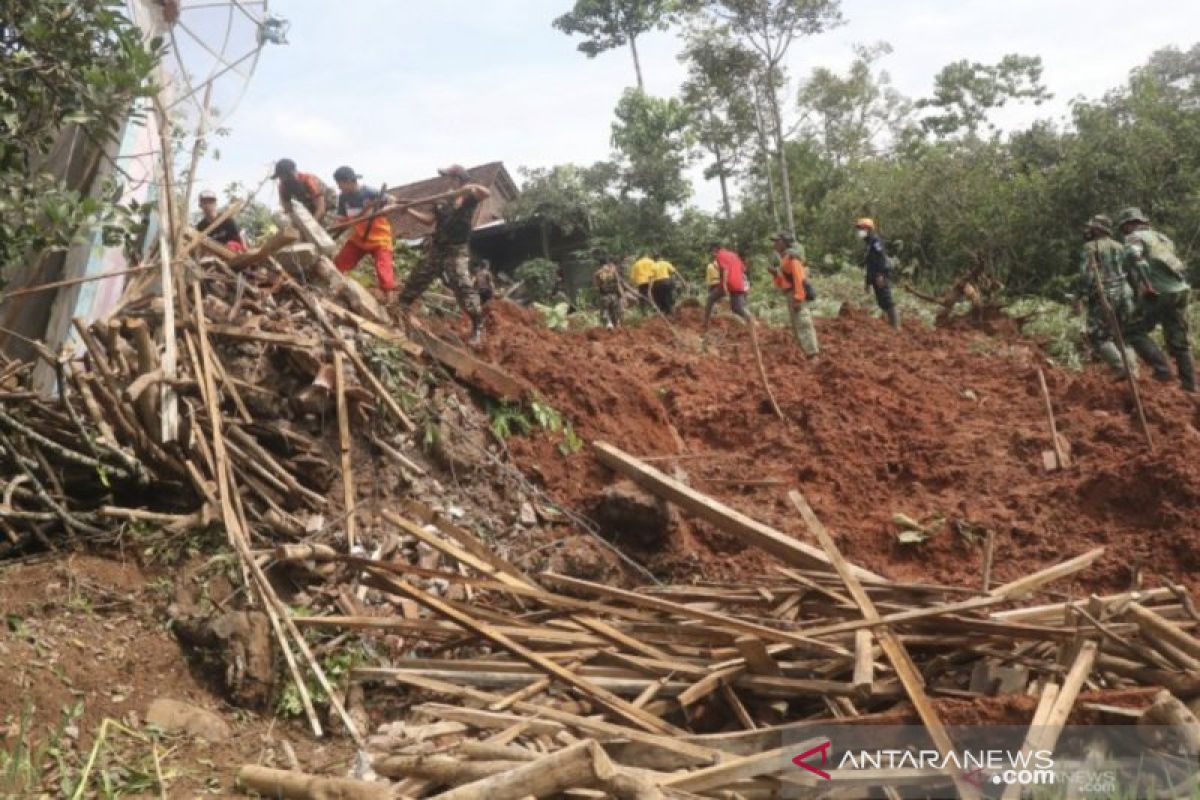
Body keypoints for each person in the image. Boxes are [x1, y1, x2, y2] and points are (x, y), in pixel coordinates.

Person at [398, 164, 491, 345]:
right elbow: (429, 221)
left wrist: (468, 188)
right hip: (437, 247)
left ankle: (478, 326)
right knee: (419, 276)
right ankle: (401, 307)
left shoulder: (469, 197)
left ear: (459, 179)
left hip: (456, 250)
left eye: (450, 177)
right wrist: (408, 210)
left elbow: (486, 192)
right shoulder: (441, 200)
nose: (447, 180)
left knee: (462, 285)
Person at [1116, 207, 1196, 392]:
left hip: (1158, 291)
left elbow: (1134, 257)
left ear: (1129, 225)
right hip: (1180, 291)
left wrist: (1147, 284)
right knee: (1179, 339)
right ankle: (1190, 386)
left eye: (1125, 227)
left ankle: (1162, 370)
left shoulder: (1134, 238)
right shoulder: (1163, 238)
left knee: (1132, 330)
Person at [1075, 214, 1137, 378]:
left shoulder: (1090, 247)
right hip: (1125, 292)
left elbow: (1086, 276)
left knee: (1097, 335)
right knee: (1125, 335)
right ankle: (1133, 370)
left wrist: (1079, 296)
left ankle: (1120, 367)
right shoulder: (1119, 246)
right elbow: (1131, 270)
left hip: (1105, 294)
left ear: (1097, 229)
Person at [331, 166, 395, 298]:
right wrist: (335, 222)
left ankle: (390, 300)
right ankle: (335, 289)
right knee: (340, 263)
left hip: (379, 237)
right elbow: (342, 217)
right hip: (360, 237)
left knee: (384, 271)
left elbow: (393, 200)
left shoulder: (369, 192)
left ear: (348, 181)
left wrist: (386, 208)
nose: (339, 187)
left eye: (340, 184)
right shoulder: (343, 197)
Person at [768, 232, 819, 356]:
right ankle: (805, 353)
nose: (774, 244)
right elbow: (784, 281)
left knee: (803, 323)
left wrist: (798, 298)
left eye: (777, 241)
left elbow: (799, 279)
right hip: (790, 293)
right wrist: (775, 274)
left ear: (784, 243)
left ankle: (812, 354)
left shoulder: (791, 258)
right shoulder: (784, 258)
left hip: (796, 294)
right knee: (797, 325)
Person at [855, 217, 899, 329]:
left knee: (886, 298)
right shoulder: (869, 243)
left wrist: (880, 275)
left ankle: (895, 326)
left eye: (861, 228)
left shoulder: (875, 241)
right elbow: (870, 265)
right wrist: (868, 282)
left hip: (880, 275)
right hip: (874, 275)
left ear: (868, 229)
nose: (859, 231)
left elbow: (881, 259)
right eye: (859, 229)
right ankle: (889, 324)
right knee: (881, 301)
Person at [703, 241, 752, 329]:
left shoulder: (720, 255)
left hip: (729, 283)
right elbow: (743, 269)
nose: (712, 255)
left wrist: (725, 285)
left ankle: (705, 323)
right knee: (737, 308)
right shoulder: (734, 255)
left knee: (710, 299)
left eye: (712, 252)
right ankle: (750, 321)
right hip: (739, 283)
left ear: (715, 249)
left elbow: (725, 269)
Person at [274, 158, 334, 224]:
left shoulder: (308, 180)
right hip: (312, 208)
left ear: (291, 173)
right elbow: (288, 210)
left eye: (282, 176)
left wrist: (311, 225)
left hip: (330, 205)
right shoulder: (283, 187)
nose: (281, 180)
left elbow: (321, 208)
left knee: (326, 224)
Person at [196, 189, 245, 253]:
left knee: (230, 245)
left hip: (232, 252)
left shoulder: (227, 220)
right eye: (205, 202)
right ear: (200, 206)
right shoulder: (201, 227)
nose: (208, 205)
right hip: (214, 254)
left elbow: (240, 236)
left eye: (211, 202)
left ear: (215, 204)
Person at [593, 256, 623, 329]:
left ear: (600, 264)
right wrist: (621, 294)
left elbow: (597, 286)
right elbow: (618, 283)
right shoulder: (613, 271)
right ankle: (617, 324)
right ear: (608, 263)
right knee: (615, 311)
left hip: (604, 295)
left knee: (605, 310)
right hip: (614, 295)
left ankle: (609, 324)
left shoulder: (597, 273)